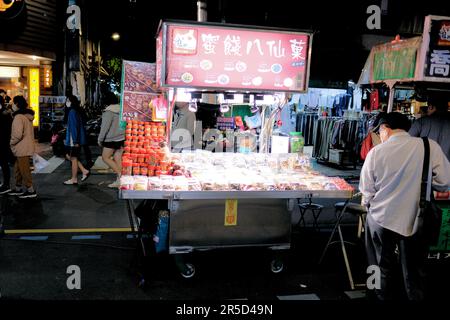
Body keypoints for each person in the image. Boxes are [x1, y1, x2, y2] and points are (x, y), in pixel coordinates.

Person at [359, 112, 450, 301]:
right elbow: (444, 182)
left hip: (380, 218)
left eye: (379, 131)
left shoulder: (376, 152)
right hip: (416, 218)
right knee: (415, 270)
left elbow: (367, 190)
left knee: (377, 264)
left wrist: (368, 203)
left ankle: (376, 296)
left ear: (385, 129)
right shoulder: (428, 146)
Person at [8, 96, 37, 199]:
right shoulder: (27, 116)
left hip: (21, 147)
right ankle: (18, 188)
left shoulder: (18, 117)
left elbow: (17, 134)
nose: (12, 105)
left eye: (13, 103)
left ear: (17, 104)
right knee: (18, 168)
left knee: (24, 170)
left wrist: (11, 142)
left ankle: (31, 190)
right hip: (26, 146)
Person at [409, 94, 450, 161]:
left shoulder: (421, 122)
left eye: (428, 106)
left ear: (431, 107)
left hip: (426, 165)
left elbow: (409, 141)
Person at [97, 92, 125, 188]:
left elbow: (104, 127)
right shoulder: (121, 109)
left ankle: (121, 176)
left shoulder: (108, 111)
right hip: (122, 137)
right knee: (117, 158)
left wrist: (100, 139)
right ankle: (119, 181)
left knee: (105, 157)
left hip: (112, 139)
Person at [63, 95, 90, 185]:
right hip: (73, 139)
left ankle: (74, 178)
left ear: (71, 102)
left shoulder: (72, 112)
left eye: (68, 100)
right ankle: (83, 170)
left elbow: (74, 127)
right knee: (69, 156)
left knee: (73, 158)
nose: (66, 102)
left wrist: (75, 141)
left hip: (73, 140)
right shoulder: (76, 111)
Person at [0, 94, 13, 194]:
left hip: (3, 143)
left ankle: (6, 184)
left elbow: (7, 130)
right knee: (3, 164)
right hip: (4, 142)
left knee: (4, 164)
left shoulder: (5, 114)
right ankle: (4, 183)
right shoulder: (5, 113)